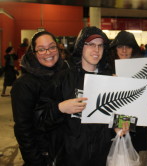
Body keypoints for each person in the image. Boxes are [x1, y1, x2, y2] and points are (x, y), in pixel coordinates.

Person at [41, 26, 128, 166]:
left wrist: (121, 126)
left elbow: (122, 111)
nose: (96, 50)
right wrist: (60, 108)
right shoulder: (64, 78)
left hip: (102, 155)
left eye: (100, 46)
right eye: (91, 45)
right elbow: (40, 117)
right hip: (71, 156)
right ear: (81, 46)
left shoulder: (110, 77)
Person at [11, 31, 63, 165]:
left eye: (52, 47)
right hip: (42, 155)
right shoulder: (24, 84)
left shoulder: (63, 75)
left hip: (62, 153)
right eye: (41, 49)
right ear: (33, 53)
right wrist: (35, 161)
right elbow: (23, 129)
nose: (48, 52)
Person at [108, 30, 146, 153]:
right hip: (111, 126)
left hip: (135, 125)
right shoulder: (107, 70)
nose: (124, 50)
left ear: (133, 49)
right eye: (120, 46)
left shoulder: (143, 70)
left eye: (128, 47)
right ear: (115, 49)